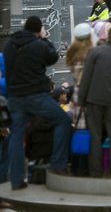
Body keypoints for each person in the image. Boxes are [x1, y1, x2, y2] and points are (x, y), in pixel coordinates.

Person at [4, 16, 72, 188]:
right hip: (35, 95)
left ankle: (17, 180)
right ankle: (57, 164)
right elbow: (52, 57)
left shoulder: (9, 45)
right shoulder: (38, 45)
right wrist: (45, 37)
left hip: (14, 96)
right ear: (38, 30)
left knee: (16, 136)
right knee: (62, 121)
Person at [78, 24, 111, 178]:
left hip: (94, 98)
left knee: (95, 135)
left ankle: (94, 171)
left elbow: (86, 76)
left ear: (108, 36)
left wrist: (81, 99)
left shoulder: (95, 52)